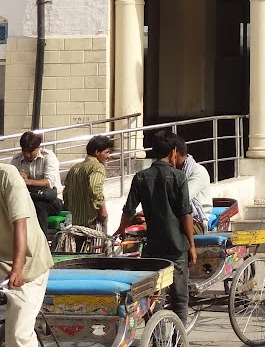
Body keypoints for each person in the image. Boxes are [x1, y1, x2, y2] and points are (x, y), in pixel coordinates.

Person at [115, 132, 196, 327]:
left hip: (152, 248)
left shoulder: (141, 177)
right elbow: (186, 214)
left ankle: (157, 337)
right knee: (179, 299)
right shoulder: (179, 177)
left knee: (154, 298)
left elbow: (129, 210)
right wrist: (192, 246)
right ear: (174, 152)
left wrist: (121, 229)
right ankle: (178, 338)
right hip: (176, 247)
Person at [0, 163, 53, 347]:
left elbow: (19, 223)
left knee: (18, 336)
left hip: (28, 263)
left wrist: (18, 268)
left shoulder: (8, 176)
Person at [11, 131, 63, 231]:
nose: (27, 154)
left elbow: (49, 183)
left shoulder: (49, 157)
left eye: (31, 151)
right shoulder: (17, 160)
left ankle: (42, 240)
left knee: (38, 206)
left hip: (52, 200)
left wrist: (27, 181)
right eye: (24, 151)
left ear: (38, 147)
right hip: (29, 198)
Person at [63, 135, 114, 231]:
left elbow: (66, 194)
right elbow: (95, 189)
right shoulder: (98, 167)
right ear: (97, 152)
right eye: (107, 152)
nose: (108, 156)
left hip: (77, 222)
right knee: (99, 245)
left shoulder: (75, 168)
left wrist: (75, 210)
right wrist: (102, 211)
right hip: (93, 221)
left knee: (79, 246)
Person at [174, 141, 212, 233]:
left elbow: (182, 199)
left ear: (174, 153)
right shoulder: (172, 172)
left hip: (196, 221)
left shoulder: (198, 171)